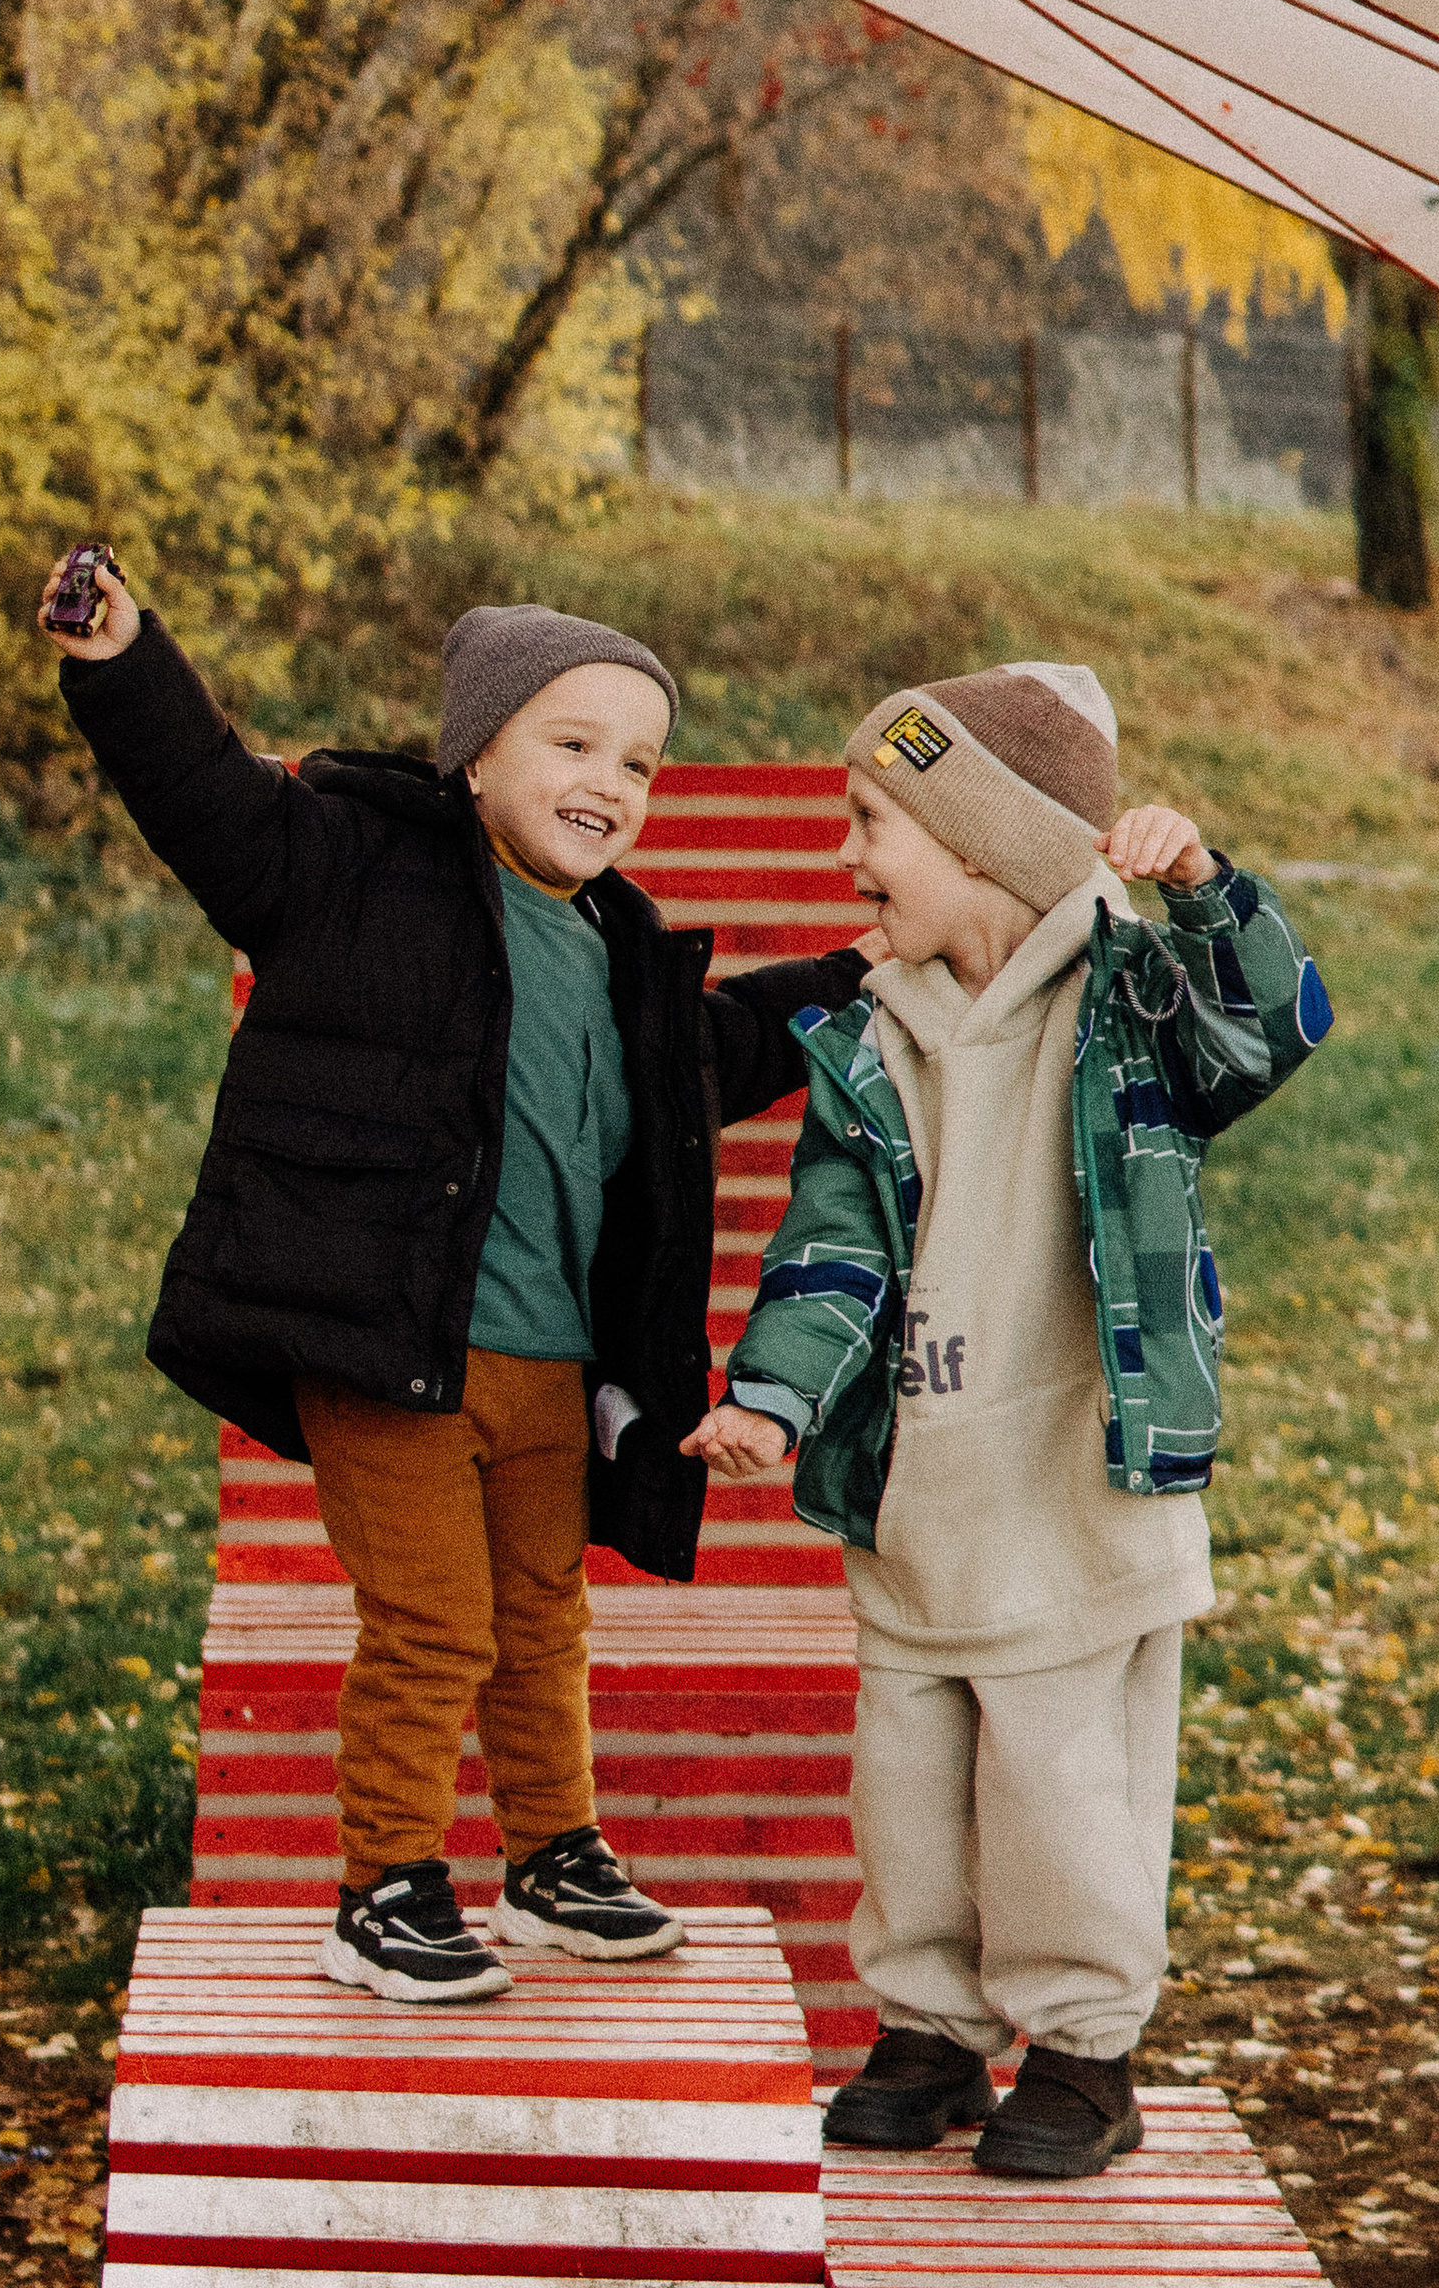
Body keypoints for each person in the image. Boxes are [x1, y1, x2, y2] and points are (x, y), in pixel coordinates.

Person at [42, 555, 874, 2006]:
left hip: (552, 1363)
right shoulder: (351, 870)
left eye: (640, 762)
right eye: (572, 743)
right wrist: (124, 659)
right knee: (436, 1621)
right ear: (476, 751)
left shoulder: (622, 948)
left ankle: (552, 1854)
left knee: (543, 1615)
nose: (610, 781)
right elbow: (205, 798)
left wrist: (861, 973)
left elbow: (714, 1056)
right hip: (393, 1347)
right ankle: (385, 1889)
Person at [683, 664, 1330, 2177]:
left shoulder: (1129, 996)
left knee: (1057, 1778)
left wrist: (1206, 889)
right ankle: (930, 2024)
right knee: (906, 1771)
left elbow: (1273, 1028)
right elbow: (832, 1242)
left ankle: (1085, 2049)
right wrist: (776, 1399)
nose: (846, 860)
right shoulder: (866, 1033)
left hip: (1074, 1476)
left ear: (978, 840)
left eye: (870, 823)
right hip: (925, 1483)